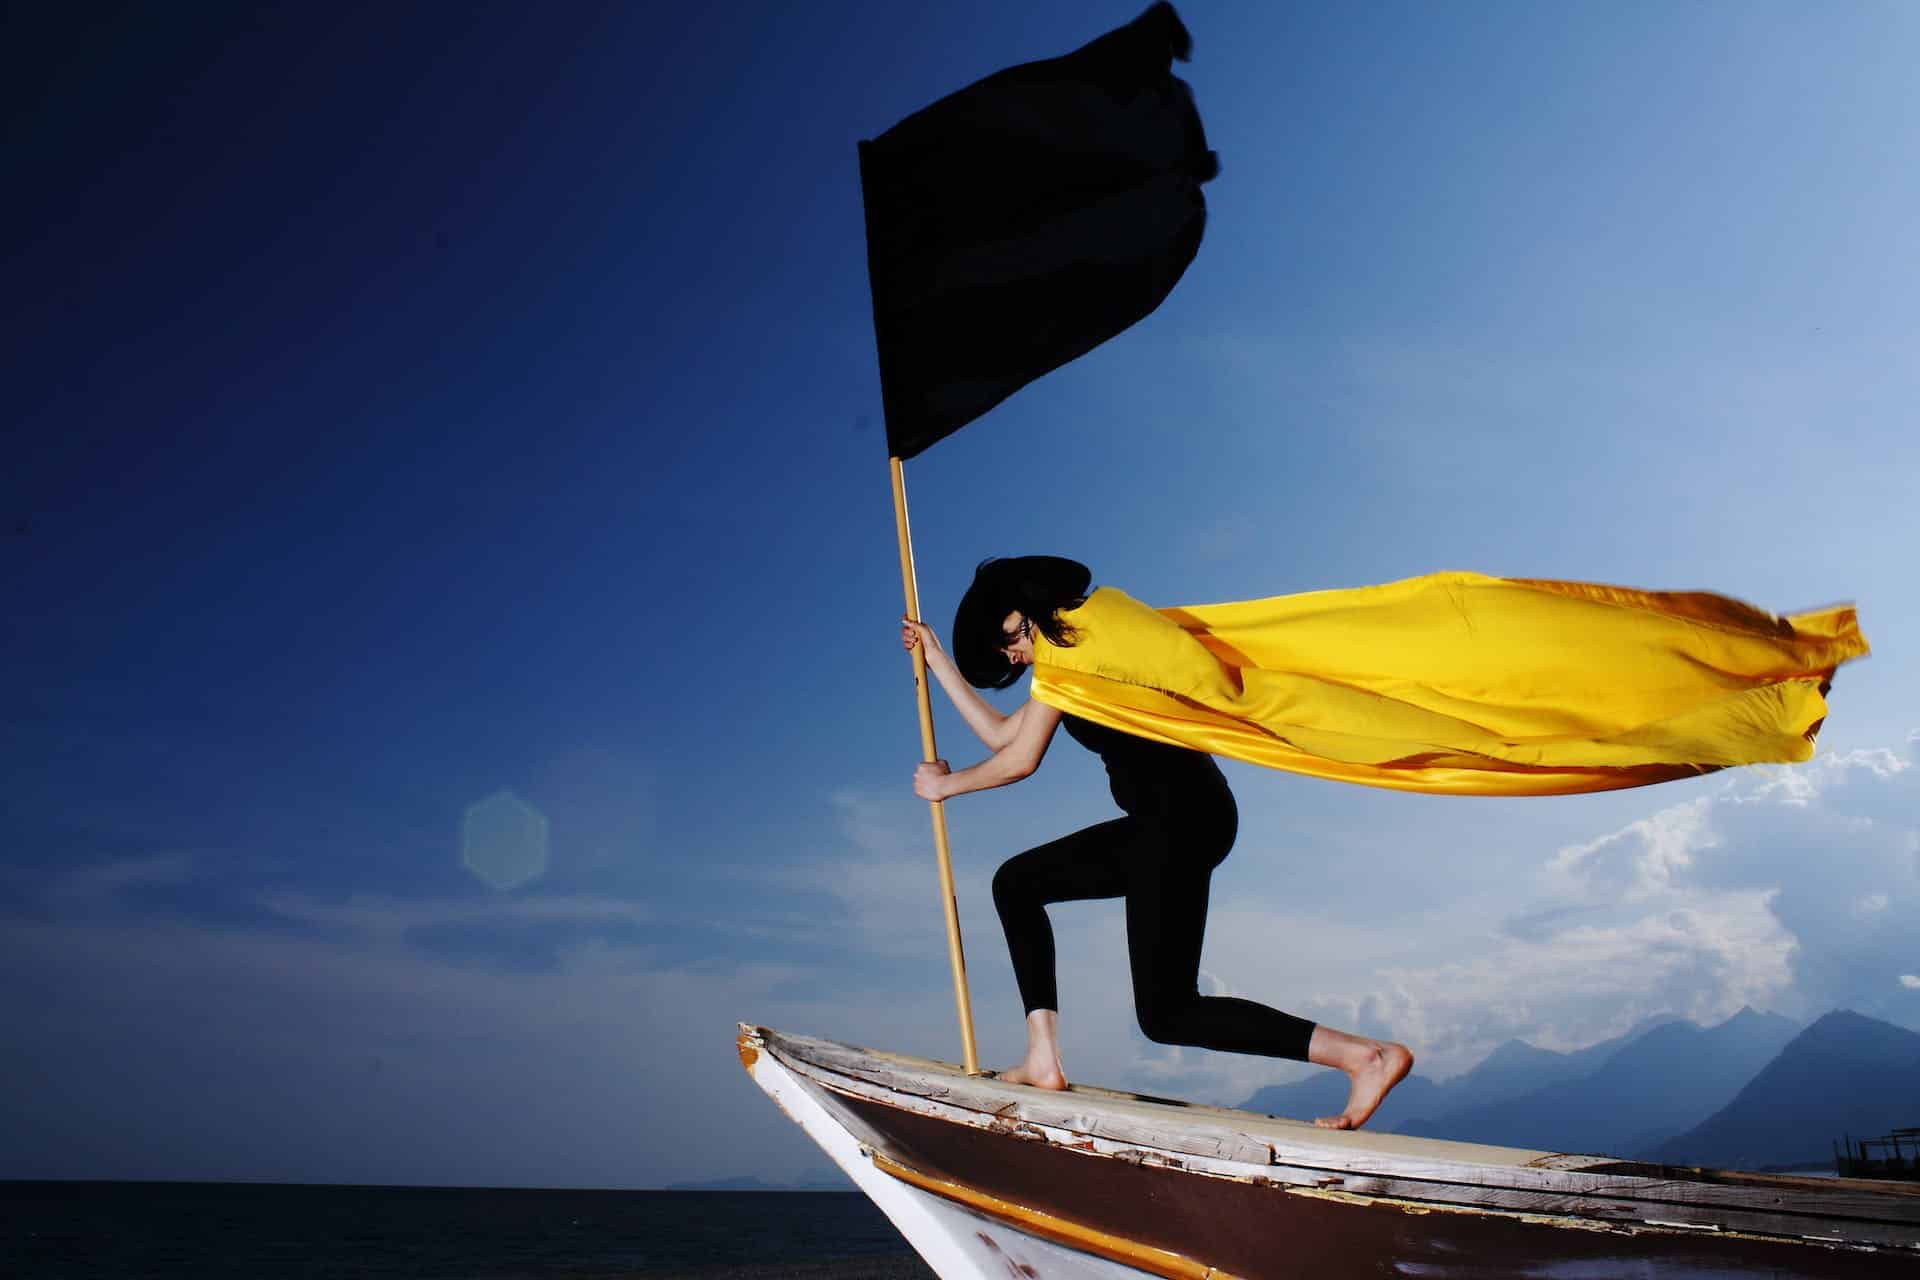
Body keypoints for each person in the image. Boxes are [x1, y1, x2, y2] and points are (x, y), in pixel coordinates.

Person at [902, 555, 1413, 1130]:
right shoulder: (1076, 656)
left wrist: (945, 786)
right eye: (1005, 651)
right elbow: (1002, 735)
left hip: (1179, 821)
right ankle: (1043, 1058)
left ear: (1031, 609)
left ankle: (1365, 1057)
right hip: (1182, 820)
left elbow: (1019, 763)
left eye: (1012, 638)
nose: (1012, 655)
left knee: (1164, 1007)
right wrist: (937, 661)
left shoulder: (1073, 652)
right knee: (1029, 895)